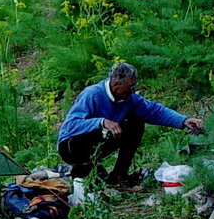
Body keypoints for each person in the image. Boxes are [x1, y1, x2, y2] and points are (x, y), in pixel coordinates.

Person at [57, 62, 203, 187]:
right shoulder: (92, 94)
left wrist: (183, 120)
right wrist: (101, 122)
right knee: (87, 170)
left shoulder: (129, 98)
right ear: (115, 84)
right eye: (130, 87)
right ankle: (83, 168)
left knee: (135, 124)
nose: (133, 91)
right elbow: (70, 126)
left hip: (98, 143)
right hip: (71, 146)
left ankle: (119, 175)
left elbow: (154, 111)